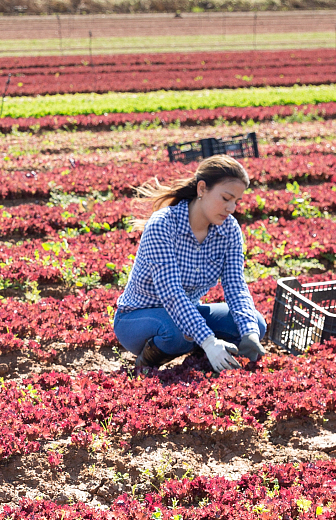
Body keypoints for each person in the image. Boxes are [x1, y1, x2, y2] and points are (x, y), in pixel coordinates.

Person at [113, 154, 268, 375]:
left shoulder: (229, 229)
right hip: (138, 318)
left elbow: (235, 285)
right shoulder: (163, 225)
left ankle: (204, 354)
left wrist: (250, 333)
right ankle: (146, 363)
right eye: (225, 198)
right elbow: (171, 292)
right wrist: (209, 341)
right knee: (179, 331)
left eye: (236, 201)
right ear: (202, 189)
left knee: (255, 323)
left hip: (186, 313)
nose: (231, 208)